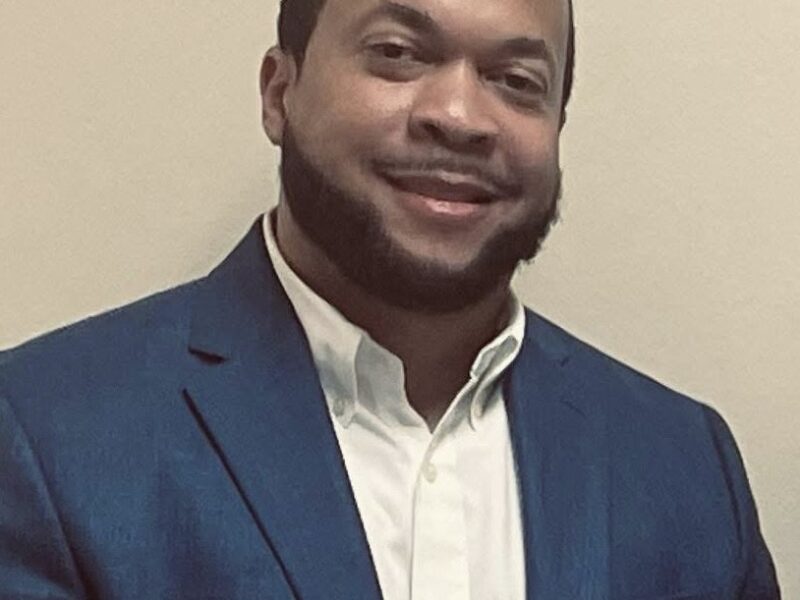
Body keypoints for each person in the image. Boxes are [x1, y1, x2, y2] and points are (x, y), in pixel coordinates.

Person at [0, 0, 781, 597]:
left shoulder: (685, 466)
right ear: (279, 92)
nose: (460, 117)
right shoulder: (43, 437)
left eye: (517, 82)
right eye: (398, 54)